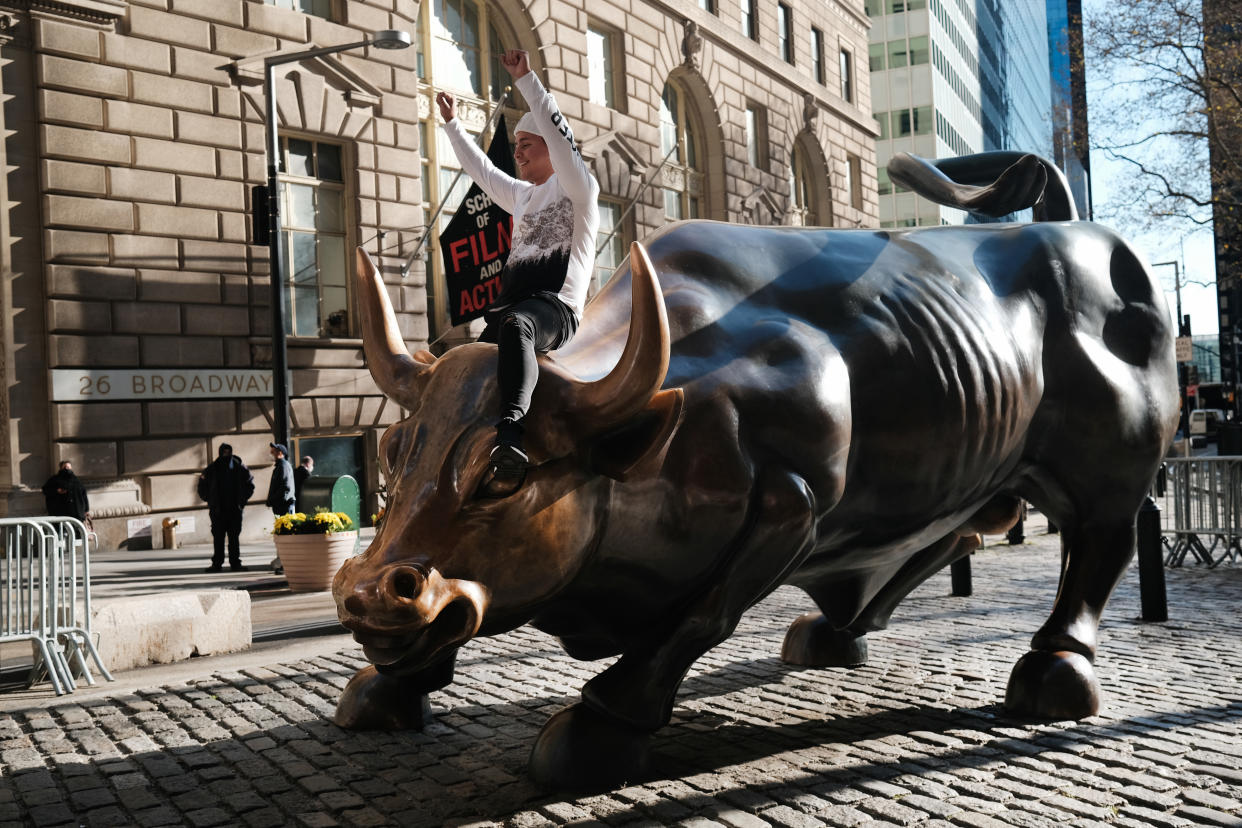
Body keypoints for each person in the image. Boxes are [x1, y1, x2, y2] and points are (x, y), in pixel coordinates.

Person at [436, 49, 599, 495]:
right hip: (510, 313)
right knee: (457, 369)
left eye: (526, 145)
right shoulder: (523, 197)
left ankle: (511, 436)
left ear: (550, 147)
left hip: (554, 311)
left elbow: (559, 136)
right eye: (517, 148)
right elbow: (481, 171)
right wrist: (451, 126)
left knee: (518, 324)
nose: (518, 154)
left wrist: (527, 79)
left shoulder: (578, 188)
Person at [197, 444, 255, 573]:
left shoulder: (239, 467)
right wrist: (210, 500)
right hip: (218, 510)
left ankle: (235, 563)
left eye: (228, 452)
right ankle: (217, 563)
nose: (226, 454)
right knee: (218, 538)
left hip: (234, 509)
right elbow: (202, 486)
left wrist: (242, 501)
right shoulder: (213, 468)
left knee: (233, 537)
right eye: (224, 452)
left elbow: (250, 484)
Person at [266, 443, 295, 516]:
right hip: (281, 505)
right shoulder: (280, 466)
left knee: (285, 526)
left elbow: (285, 486)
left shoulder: (283, 466)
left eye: (273, 452)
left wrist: (273, 499)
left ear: (280, 453)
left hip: (284, 506)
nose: (271, 454)